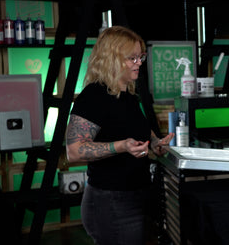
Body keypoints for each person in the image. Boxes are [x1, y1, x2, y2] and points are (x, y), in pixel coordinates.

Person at [66, 25, 174, 245]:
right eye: (131, 58)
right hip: (111, 202)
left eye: (140, 56)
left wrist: (154, 143)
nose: (139, 63)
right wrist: (121, 146)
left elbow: (133, 128)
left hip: (135, 196)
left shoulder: (127, 95)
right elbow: (74, 151)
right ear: (111, 59)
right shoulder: (94, 95)